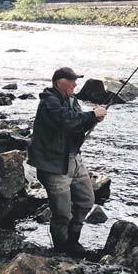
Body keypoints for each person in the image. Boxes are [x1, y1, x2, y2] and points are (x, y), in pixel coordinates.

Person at [28, 66, 107, 256]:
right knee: (62, 213)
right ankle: (61, 250)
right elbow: (66, 121)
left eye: (75, 80)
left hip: (74, 159)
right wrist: (91, 115)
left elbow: (76, 124)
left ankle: (73, 242)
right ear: (59, 83)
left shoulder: (72, 100)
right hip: (53, 165)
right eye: (71, 81)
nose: (75, 84)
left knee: (87, 200)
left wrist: (93, 119)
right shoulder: (49, 102)